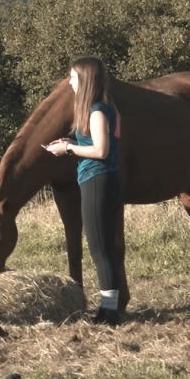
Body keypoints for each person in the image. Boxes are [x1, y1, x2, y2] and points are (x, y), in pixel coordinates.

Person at [45, 56, 122, 326]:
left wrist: (68, 149)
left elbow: (102, 150)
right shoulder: (108, 107)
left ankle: (110, 312)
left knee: (100, 249)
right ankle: (109, 308)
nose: (70, 82)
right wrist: (73, 141)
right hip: (105, 179)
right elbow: (106, 140)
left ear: (86, 81)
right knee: (105, 248)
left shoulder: (97, 110)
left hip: (96, 180)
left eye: (74, 77)